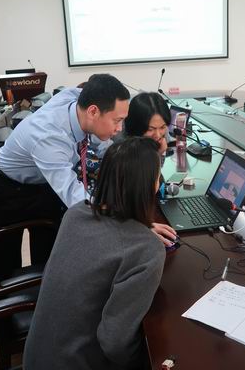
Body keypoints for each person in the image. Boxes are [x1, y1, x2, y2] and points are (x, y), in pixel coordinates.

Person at [0, 74, 177, 274]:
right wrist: (136, 227)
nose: (119, 128)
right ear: (93, 112)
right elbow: (79, 201)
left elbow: (104, 148)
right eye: (117, 120)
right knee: (6, 260)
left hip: (44, 183)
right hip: (10, 189)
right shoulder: (50, 139)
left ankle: (44, 283)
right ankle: (15, 291)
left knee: (47, 253)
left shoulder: (79, 99)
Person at [23, 137, 166, 370]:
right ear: (150, 185)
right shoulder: (147, 250)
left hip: (36, 358)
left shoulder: (76, 214)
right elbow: (115, 343)